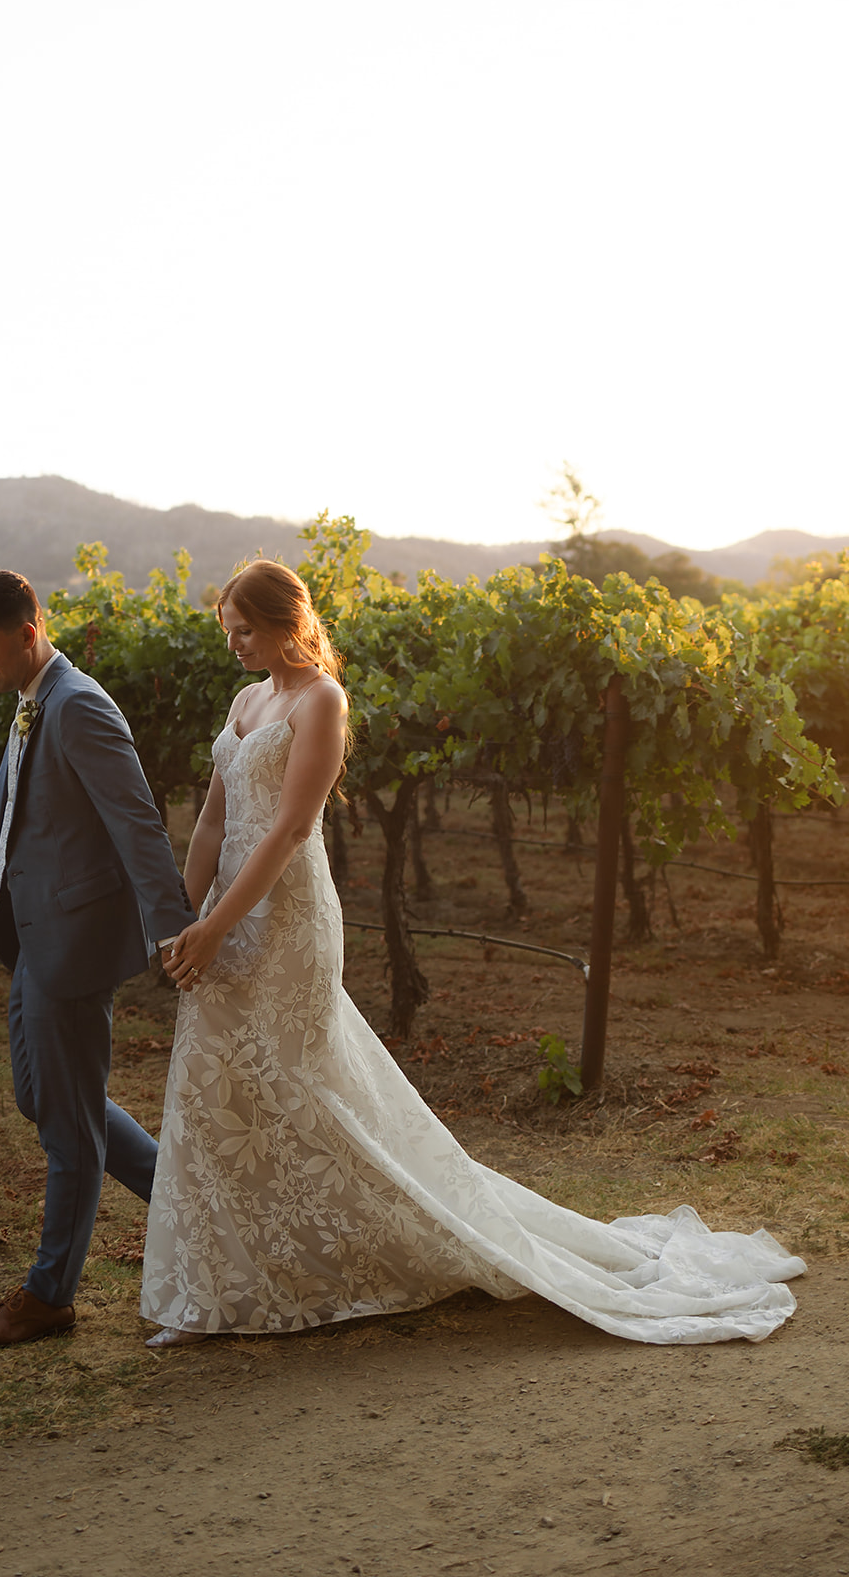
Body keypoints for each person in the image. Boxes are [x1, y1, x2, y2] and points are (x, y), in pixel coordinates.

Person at [141, 559, 804, 1348]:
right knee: (219, 1090)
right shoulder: (245, 699)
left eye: (243, 629)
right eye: (228, 632)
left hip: (284, 923)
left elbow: (288, 830)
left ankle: (344, 1258)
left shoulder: (322, 698)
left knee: (303, 1090)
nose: (235, 645)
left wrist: (217, 929)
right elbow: (214, 819)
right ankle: (218, 1290)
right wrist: (187, 914)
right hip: (224, 915)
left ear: (286, 620)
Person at [0, 570, 190, 1347]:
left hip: (72, 943)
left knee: (67, 1128)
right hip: (32, 938)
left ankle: (49, 1294)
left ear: (28, 632)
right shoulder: (31, 701)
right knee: (45, 1101)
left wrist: (173, 932)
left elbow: (138, 824)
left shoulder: (78, 704)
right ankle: (190, 1202)